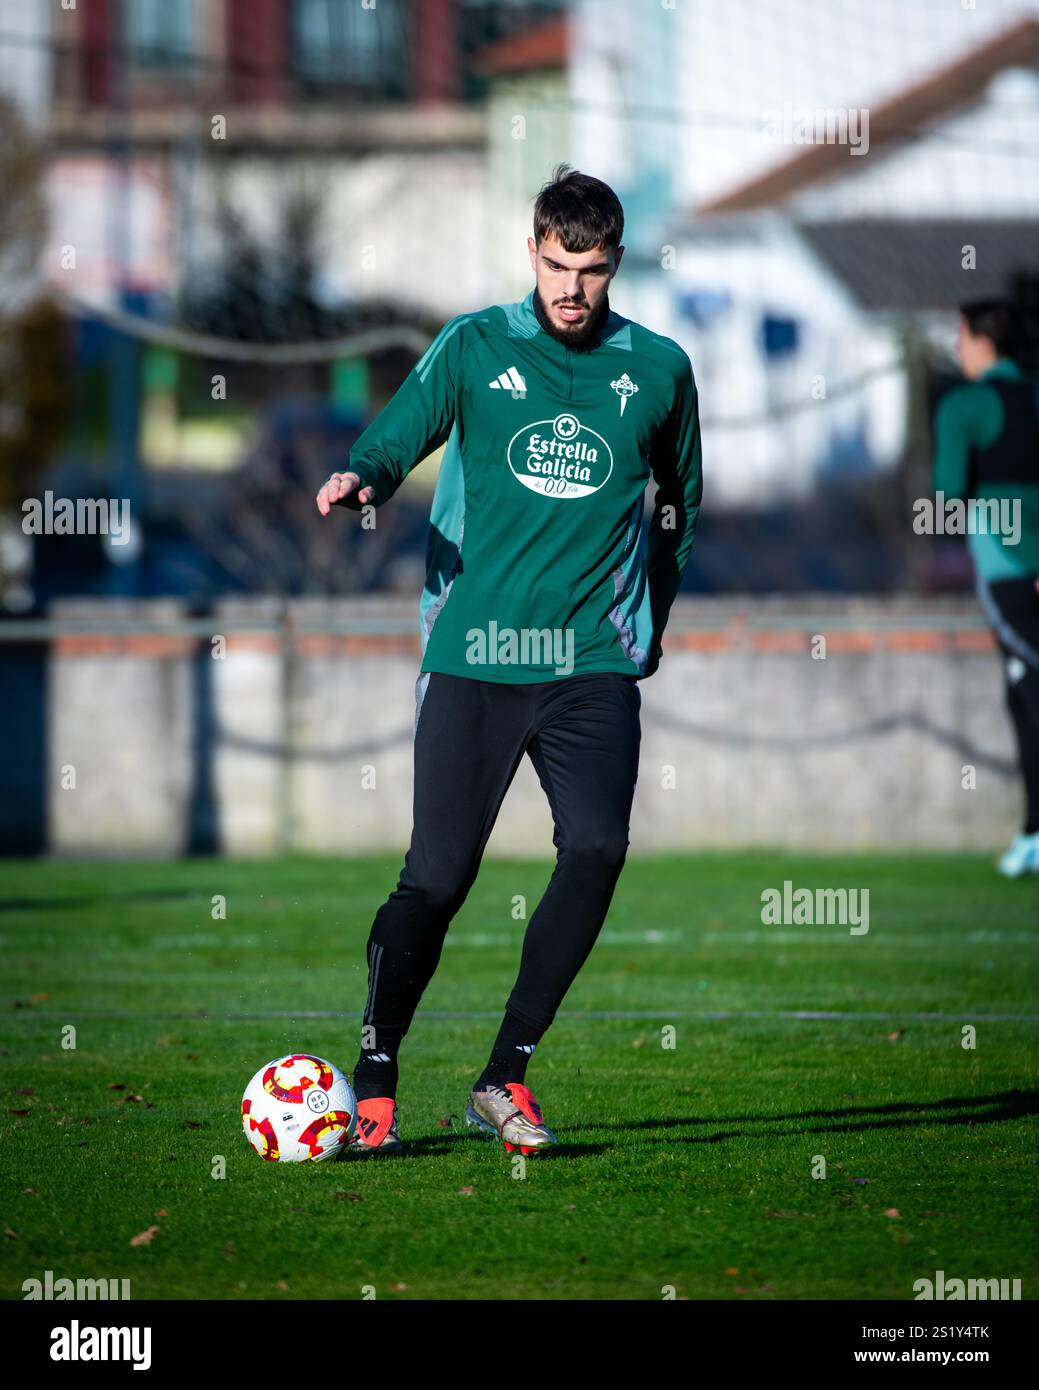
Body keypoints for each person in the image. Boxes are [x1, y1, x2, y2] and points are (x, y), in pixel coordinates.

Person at [316, 164, 703, 1154]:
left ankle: (505, 1076)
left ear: (616, 264)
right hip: (477, 652)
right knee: (438, 878)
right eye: (559, 263)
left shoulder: (658, 370)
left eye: (594, 269)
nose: (573, 287)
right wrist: (364, 475)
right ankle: (374, 1073)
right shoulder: (475, 344)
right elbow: (402, 430)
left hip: (589, 663)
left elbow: (679, 507)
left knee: (598, 849)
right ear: (531, 248)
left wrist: (646, 627)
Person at [933, 300, 1039, 876]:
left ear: (981, 341)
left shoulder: (965, 403)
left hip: (1008, 568)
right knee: (1024, 696)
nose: (956, 348)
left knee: (1031, 694)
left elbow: (947, 494)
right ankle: (1032, 832)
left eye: (961, 335)